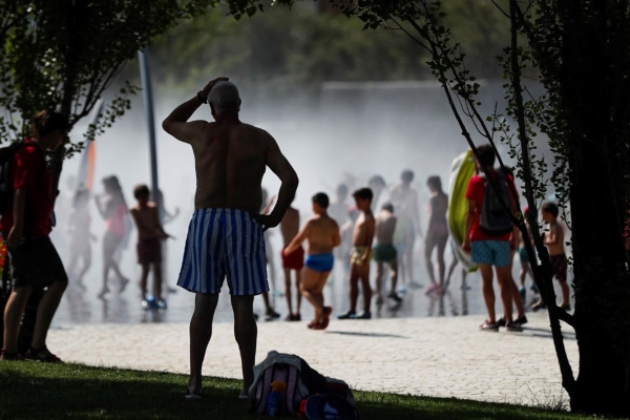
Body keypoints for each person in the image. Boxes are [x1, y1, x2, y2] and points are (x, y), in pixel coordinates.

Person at [162, 78, 298, 399]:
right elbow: (290, 178)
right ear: (239, 106)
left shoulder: (200, 132)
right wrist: (276, 216)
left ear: (212, 107)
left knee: (204, 303)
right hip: (244, 220)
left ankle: (195, 383)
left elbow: (169, 122)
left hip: (206, 219)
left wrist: (198, 94)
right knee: (243, 305)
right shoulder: (258, 138)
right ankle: (247, 385)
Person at [0, 110, 69, 362]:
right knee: (59, 280)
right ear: (55, 133)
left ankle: (10, 350)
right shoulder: (30, 154)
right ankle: (36, 345)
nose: (62, 141)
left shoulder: (30, 152)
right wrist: (18, 226)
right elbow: (20, 190)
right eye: (62, 135)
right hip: (27, 230)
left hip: (25, 228)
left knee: (22, 286)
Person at [462, 144, 522, 332]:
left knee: (486, 279)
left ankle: (492, 320)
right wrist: (514, 235)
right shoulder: (506, 180)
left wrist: (465, 239)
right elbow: (515, 209)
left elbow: (470, 213)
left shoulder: (476, 183)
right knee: (503, 279)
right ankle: (510, 320)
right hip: (503, 235)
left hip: (481, 236)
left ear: (479, 161)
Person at [283, 193, 340, 330]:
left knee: (305, 289)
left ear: (315, 205)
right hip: (328, 258)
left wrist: (289, 249)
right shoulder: (333, 223)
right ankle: (317, 321)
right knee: (317, 290)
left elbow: (299, 239)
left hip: (314, 259)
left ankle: (323, 310)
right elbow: (337, 242)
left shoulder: (311, 222)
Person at [129, 184, 172, 309]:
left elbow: (157, 224)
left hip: (154, 241)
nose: (145, 199)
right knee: (145, 270)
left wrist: (163, 234)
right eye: (142, 197)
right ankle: (143, 297)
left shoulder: (153, 208)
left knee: (157, 270)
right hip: (144, 241)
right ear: (138, 197)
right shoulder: (134, 210)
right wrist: (159, 234)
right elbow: (142, 228)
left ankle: (159, 296)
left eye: (146, 196)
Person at [338, 188, 376, 320]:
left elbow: (370, 238)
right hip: (356, 251)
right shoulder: (361, 214)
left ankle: (366, 310)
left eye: (358, 201)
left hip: (363, 251)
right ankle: (352, 309)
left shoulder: (370, 218)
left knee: (364, 281)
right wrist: (352, 252)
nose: (356, 204)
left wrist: (366, 253)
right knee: (352, 280)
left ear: (367, 200)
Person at [94, 175, 130, 298]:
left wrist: (97, 203)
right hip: (120, 231)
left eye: (105, 186)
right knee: (108, 257)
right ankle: (120, 278)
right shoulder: (121, 197)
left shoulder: (113, 199)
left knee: (106, 259)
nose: (104, 189)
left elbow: (105, 216)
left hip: (112, 230)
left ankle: (106, 286)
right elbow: (125, 212)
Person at [532, 202, 570, 311]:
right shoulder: (549, 226)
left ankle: (566, 303)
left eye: (543, 213)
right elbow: (545, 237)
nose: (542, 216)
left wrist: (543, 241)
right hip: (551, 258)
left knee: (562, 280)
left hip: (559, 258)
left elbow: (554, 241)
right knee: (545, 279)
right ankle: (543, 300)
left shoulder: (556, 226)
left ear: (550, 214)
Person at [389, 170, 423, 289]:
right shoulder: (394, 190)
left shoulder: (413, 192)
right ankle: (399, 280)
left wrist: (418, 227)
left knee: (409, 252)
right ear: (401, 177)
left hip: (408, 222)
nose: (406, 182)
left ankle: (410, 279)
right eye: (404, 179)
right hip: (397, 223)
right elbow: (390, 207)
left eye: (408, 180)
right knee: (398, 252)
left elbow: (416, 209)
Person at [66, 186, 97, 290]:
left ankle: (78, 279)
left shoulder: (86, 210)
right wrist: (70, 230)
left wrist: (91, 235)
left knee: (88, 262)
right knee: (73, 262)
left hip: (85, 239)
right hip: (76, 240)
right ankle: (66, 282)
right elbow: (69, 225)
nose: (87, 199)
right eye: (85, 197)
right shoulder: (74, 210)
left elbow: (85, 227)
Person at [424, 176, 449, 295]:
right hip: (444, 227)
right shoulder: (446, 197)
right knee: (440, 257)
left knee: (427, 255)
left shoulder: (433, 197)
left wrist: (428, 232)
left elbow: (433, 215)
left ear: (432, 185)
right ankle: (441, 284)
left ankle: (433, 283)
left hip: (434, 228)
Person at [372, 203, 400, 306]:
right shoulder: (392, 217)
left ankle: (378, 294)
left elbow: (374, 234)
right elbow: (391, 232)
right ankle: (392, 291)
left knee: (379, 271)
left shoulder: (376, 217)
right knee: (394, 269)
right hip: (388, 245)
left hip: (378, 246)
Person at [280, 201, 303, 321]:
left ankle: (292, 311)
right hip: (297, 247)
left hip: (288, 247)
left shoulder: (281, 212)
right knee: (297, 282)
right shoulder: (296, 213)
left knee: (289, 283)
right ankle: (296, 311)